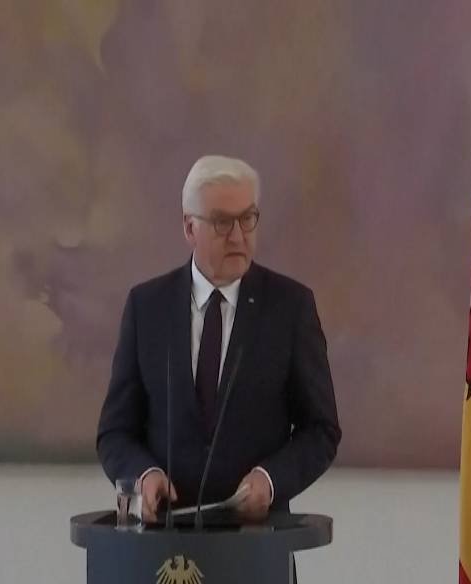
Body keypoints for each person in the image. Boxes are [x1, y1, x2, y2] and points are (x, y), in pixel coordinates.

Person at [96, 154, 341, 526]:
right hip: (164, 543)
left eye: (248, 218)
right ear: (189, 227)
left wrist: (270, 480)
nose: (239, 236)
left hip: (257, 542)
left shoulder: (290, 307)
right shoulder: (148, 307)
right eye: (223, 222)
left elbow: (321, 430)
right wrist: (143, 475)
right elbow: (115, 432)